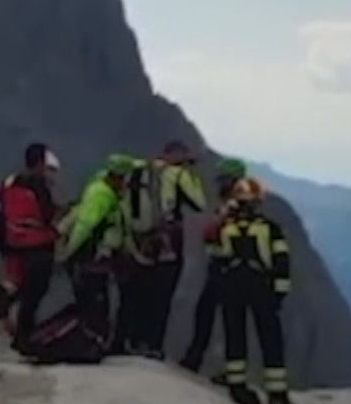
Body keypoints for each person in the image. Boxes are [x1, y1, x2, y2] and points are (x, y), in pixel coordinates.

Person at [217, 177, 298, 404]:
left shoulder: (227, 228)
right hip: (260, 287)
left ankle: (237, 386)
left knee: (235, 336)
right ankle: (277, 394)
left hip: (233, 286)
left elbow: (219, 258)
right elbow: (282, 262)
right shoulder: (269, 229)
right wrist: (279, 294)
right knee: (271, 339)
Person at [128, 141, 208, 359]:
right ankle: (154, 345)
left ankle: (134, 340)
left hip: (140, 239)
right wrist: (189, 173)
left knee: (142, 290)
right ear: (177, 155)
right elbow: (199, 203)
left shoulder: (142, 170)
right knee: (163, 293)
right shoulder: (176, 174)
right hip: (168, 239)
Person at [57, 154, 137, 352]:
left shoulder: (109, 193)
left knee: (97, 300)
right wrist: (68, 253)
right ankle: (90, 342)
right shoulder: (101, 195)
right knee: (94, 301)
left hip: (99, 259)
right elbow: (85, 225)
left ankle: (94, 340)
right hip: (90, 258)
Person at [179, 157, 250, 373]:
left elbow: (220, 233)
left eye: (224, 180)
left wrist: (212, 232)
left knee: (227, 318)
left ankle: (202, 360)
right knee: (209, 313)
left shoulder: (237, 204)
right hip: (222, 266)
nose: (220, 184)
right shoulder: (235, 202)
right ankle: (197, 358)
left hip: (229, 268)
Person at [0, 143, 61, 352]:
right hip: (39, 246)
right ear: (41, 162)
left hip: (14, 244)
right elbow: (47, 215)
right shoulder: (38, 185)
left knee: (22, 289)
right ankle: (24, 337)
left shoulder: (11, 182)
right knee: (34, 293)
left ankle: (12, 321)